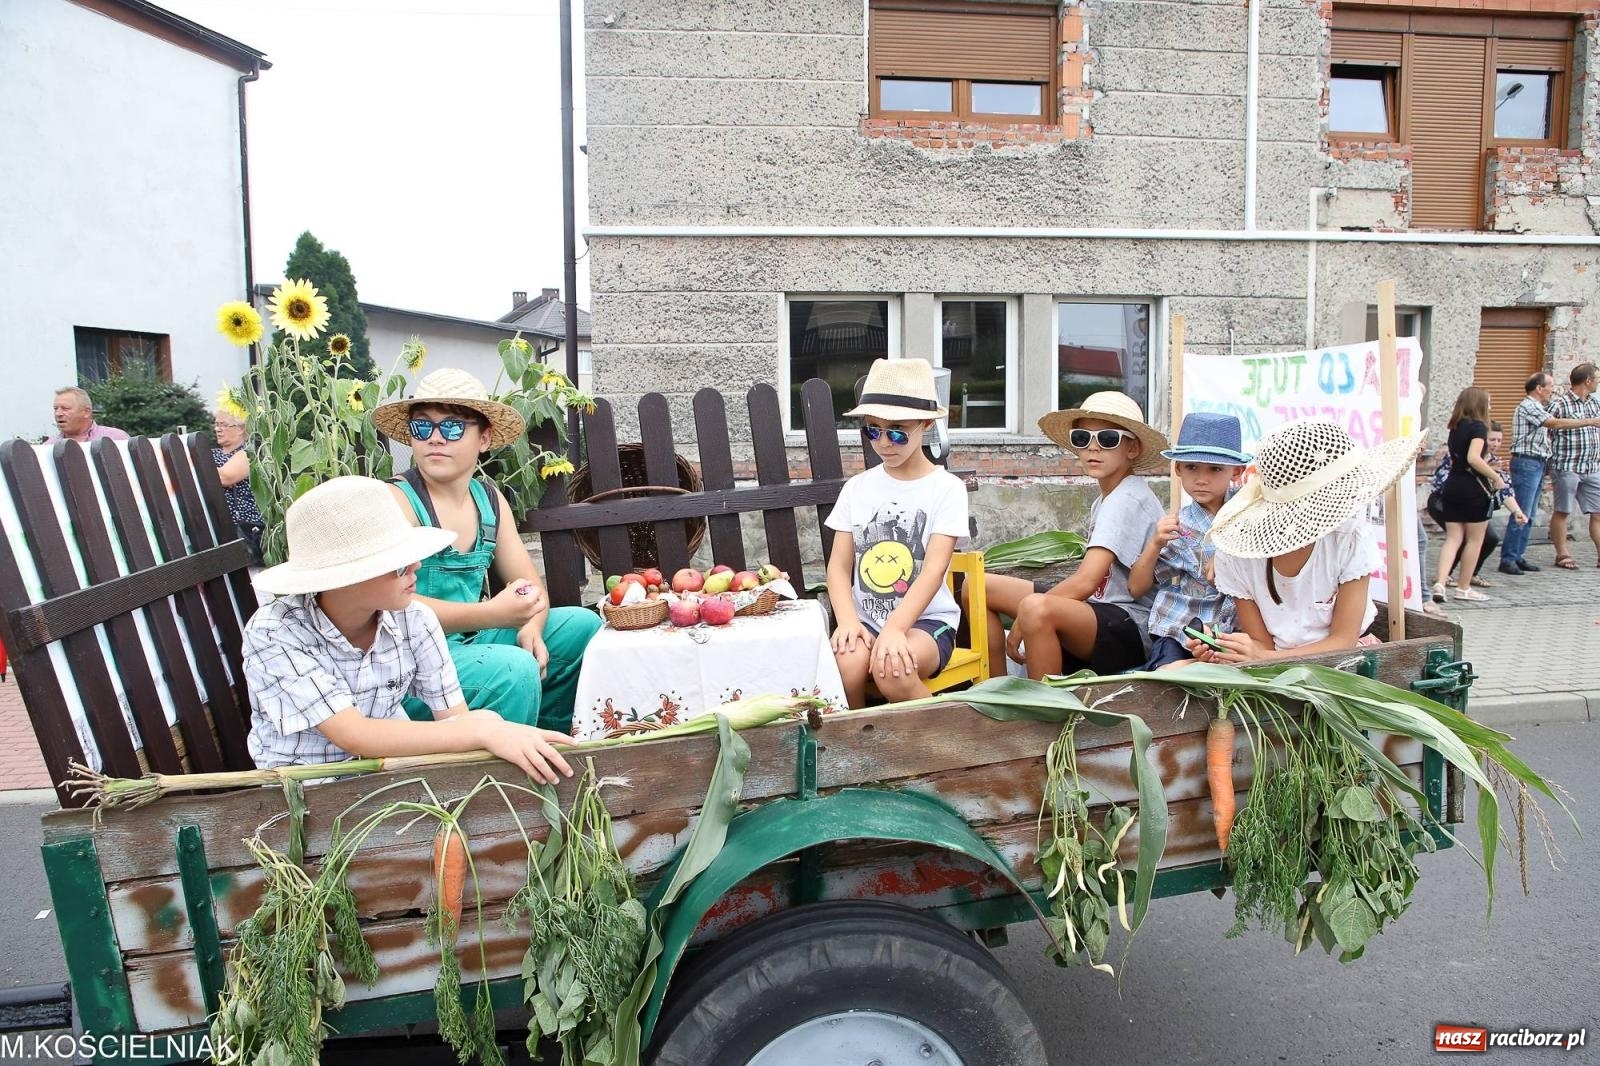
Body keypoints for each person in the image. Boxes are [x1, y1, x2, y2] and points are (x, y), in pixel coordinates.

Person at [243, 475, 576, 783]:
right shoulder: (277, 631)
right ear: (345, 577)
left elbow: (453, 717)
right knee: (485, 724)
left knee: (487, 722)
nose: (416, 566)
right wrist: (481, 731)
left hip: (393, 770)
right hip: (309, 789)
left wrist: (484, 726)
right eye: (401, 562)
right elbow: (354, 735)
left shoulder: (413, 618)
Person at [371, 369, 601, 734]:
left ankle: (550, 737)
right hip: (409, 664)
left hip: (468, 643)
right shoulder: (397, 501)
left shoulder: (490, 501)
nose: (434, 439)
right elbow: (392, 609)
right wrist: (492, 614)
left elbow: (528, 585)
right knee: (514, 669)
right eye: (422, 427)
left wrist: (532, 627)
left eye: (451, 428)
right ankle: (503, 777)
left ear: (485, 438)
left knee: (581, 626)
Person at [1189, 417, 1424, 664]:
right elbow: (1261, 643)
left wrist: (1264, 657)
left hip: (1344, 662)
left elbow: (1343, 641)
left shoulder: (1350, 539)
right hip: (1273, 663)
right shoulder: (1235, 557)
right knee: (1175, 669)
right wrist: (1227, 650)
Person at [982, 392, 1169, 680]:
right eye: (1082, 438)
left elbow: (1086, 581)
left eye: (1108, 439)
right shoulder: (1107, 497)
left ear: (1132, 449)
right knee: (979, 587)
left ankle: (1044, 710)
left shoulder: (1127, 497)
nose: (1093, 448)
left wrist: (1020, 623)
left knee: (1035, 609)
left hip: (1132, 625)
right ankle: (997, 688)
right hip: (1097, 610)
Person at [825, 359, 969, 706]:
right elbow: (838, 567)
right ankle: (857, 747)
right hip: (865, 619)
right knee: (846, 663)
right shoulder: (857, 489)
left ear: (924, 425)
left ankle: (953, 743)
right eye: (873, 430)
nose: (884, 443)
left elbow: (934, 570)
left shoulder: (945, 488)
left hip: (926, 622)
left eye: (897, 431)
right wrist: (846, 621)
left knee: (893, 667)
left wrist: (894, 628)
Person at [1127, 412, 1251, 670]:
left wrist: (1226, 554)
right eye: (1192, 467)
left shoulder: (1249, 512)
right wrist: (1154, 545)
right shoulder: (1177, 526)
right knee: (1169, 674)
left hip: (1232, 633)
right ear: (1178, 468)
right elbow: (1136, 588)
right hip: (1182, 628)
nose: (1202, 478)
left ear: (1236, 471)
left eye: (1215, 469)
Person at [1502, 371, 1600, 574]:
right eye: (1550, 385)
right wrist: (1589, 421)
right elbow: (1553, 424)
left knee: (1527, 513)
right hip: (1536, 463)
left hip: (1547, 463)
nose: (1553, 389)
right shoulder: (1531, 405)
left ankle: (1518, 556)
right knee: (1522, 511)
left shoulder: (1538, 406)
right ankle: (1509, 558)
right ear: (1539, 388)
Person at [1432, 389, 1525, 603]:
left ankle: (1440, 581)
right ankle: (1463, 588)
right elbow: (1473, 458)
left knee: (1453, 538)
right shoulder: (1479, 428)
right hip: (1473, 488)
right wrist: (1496, 477)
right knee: (1475, 539)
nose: (1490, 406)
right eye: (1488, 402)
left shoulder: (1455, 428)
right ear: (1479, 405)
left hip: (1453, 485)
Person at [1428, 420, 1511, 588]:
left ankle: (1469, 575)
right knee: (1462, 538)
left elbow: (1505, 490)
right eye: (1491, 440)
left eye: (1499, 441)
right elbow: (1442, 483)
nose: (1495, 444)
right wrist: (1489, 472)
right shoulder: (1460, 456)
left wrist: (1517, 512)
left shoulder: (1494, 461)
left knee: (1490, 538)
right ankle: (1448, 580)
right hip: (1444, 501)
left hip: (1469, 501)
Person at [1546, 362, 1600, 571]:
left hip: (1592, 467)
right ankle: (1562, 554)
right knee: (1563, 511)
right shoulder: (1561, 403)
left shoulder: (1594, 403)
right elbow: (1548, 425)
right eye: (1596, 379)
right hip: (1567, 466)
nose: (1597, 383)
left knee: (1597, 513)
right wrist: (1588, 422)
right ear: (1587, 381)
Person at [212, 408, 266, 566]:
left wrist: (196, 467)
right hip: (217, 529)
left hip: (244, 528)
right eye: (216, 424)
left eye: (223, 424)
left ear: (240, 429)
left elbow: (225, 477)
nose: (217, 429)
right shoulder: (211, 453)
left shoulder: (250, 452)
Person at [47, 386, 128, 444]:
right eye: (55, 408)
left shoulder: (116, 438)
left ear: (86, 412)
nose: (58, 414)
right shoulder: (49, 447)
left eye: (65, 408)